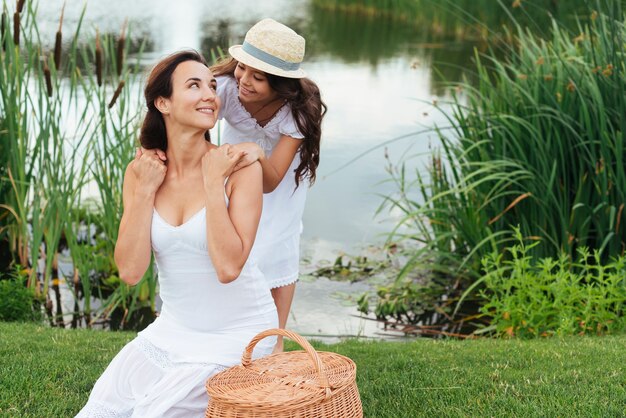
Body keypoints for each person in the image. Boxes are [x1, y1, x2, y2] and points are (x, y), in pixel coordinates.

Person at [76, 50, 277, 417]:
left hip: (238, 336)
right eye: (194, 85)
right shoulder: (141, 172)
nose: (210, 95)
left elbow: (229, 267)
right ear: (163, 102)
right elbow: (131, 272)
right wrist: (143, 193)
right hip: (172, 331)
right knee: (102, 411)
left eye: (212, 86)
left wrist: (213, 183)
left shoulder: (240, 169)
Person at [211, 18, 327, 352]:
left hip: (280, 180)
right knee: (238, 248)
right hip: (235, 178)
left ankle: (275, 340)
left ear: (280, 85)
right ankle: (233, 332)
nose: (244, 80)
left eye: (257, 77)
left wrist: (257, 154)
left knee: (277, 245)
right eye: (242, 68)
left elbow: (272, 180)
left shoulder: (298, 109)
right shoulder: (226, 88)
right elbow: (193, 119)